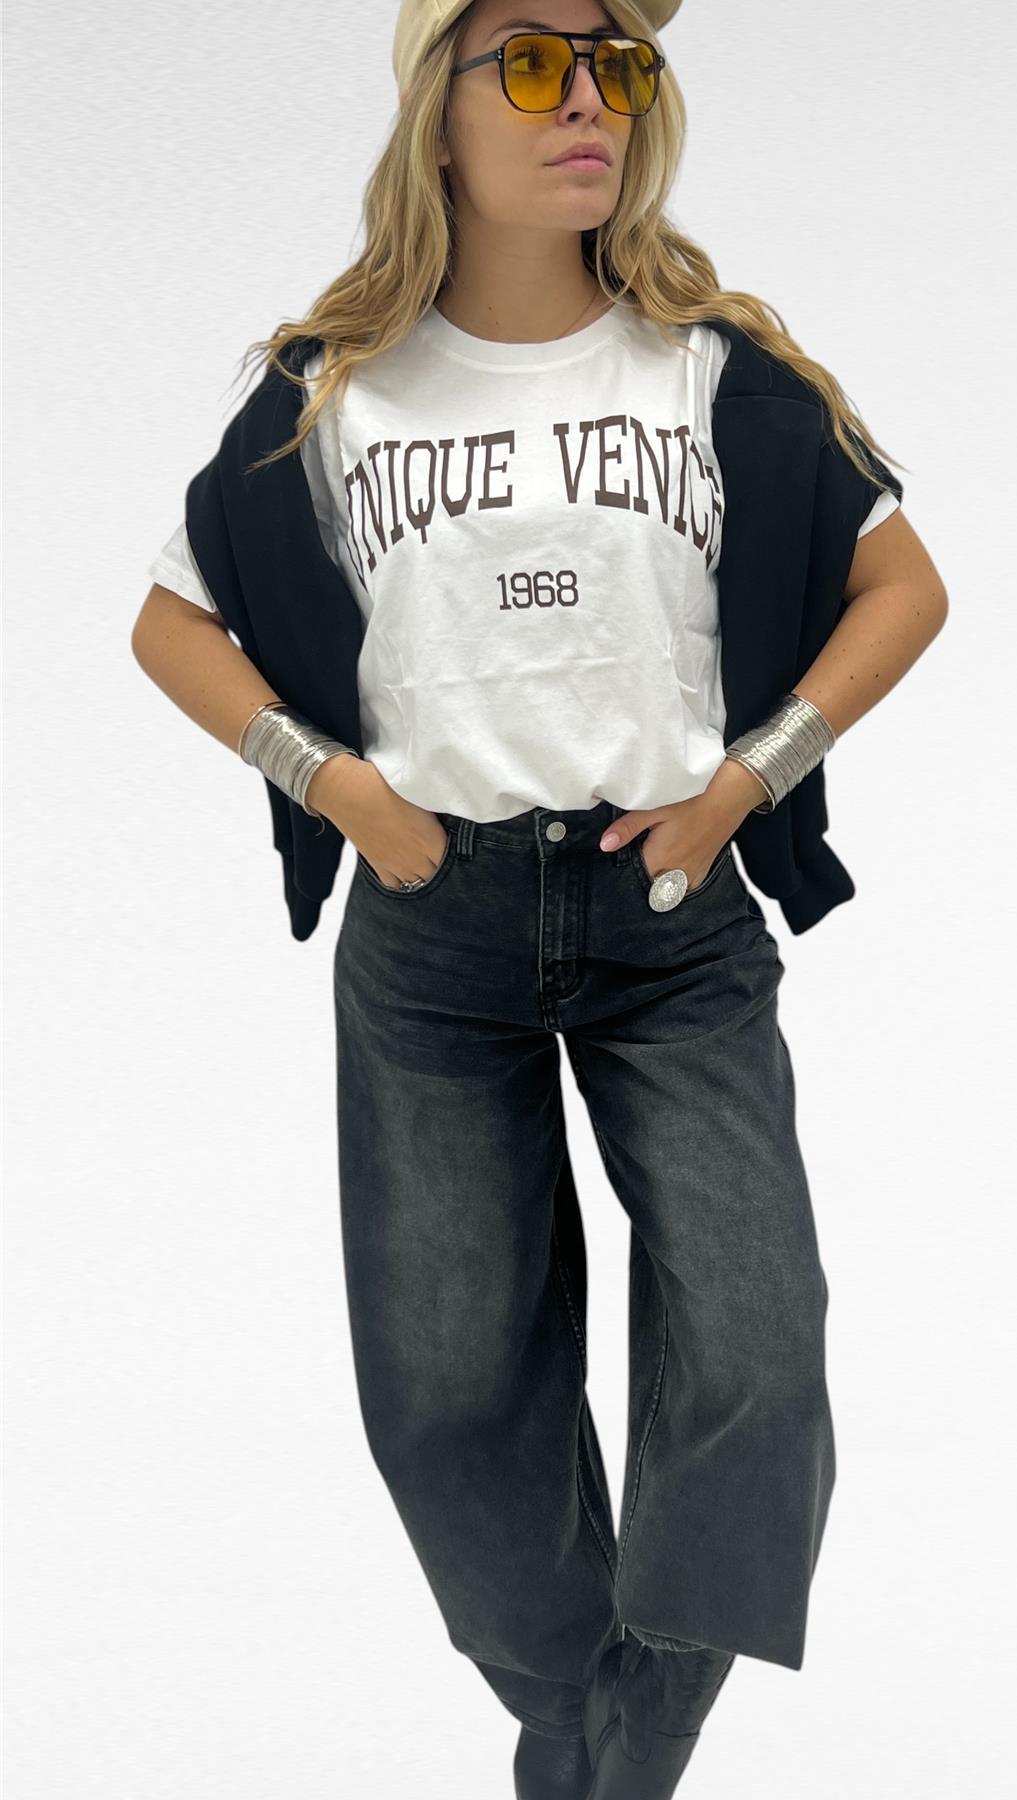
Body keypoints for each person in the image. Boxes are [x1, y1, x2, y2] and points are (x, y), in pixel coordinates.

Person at [131, 1, 949, 1794]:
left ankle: (614, 1757)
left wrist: (746, 779)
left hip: (670, 920)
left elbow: (906, 588)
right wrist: (334, 786)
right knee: (445, 1402)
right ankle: (580, 1713)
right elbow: (169, 623)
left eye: (618, 66)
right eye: (532, 62)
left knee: (756, 1362)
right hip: (432, 928)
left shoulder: (717, 371)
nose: (587, 99)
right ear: (436, 108)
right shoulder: (331, 389)